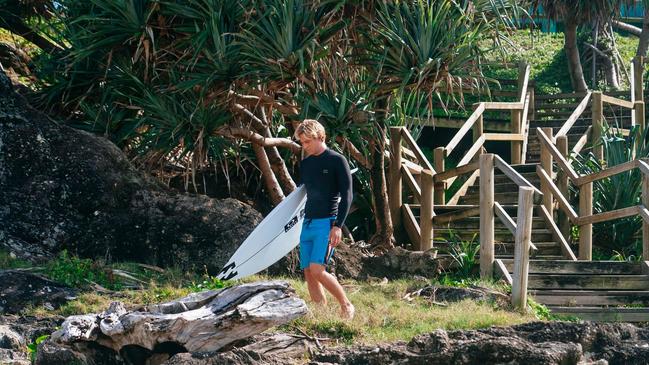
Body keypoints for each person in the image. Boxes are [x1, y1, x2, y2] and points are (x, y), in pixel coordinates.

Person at [294, 119, 355, 320]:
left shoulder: (337, 160)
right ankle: (321, 314)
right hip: (308, 222)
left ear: (320, 137)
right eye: (302, 142)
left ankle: (346, 305)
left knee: (318, 270)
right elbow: (303, 194)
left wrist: (337, 226)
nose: (304, 146)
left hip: (326, 222)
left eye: (307, 142)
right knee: (308, 272)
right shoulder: (306, 163)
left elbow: (347, 195)